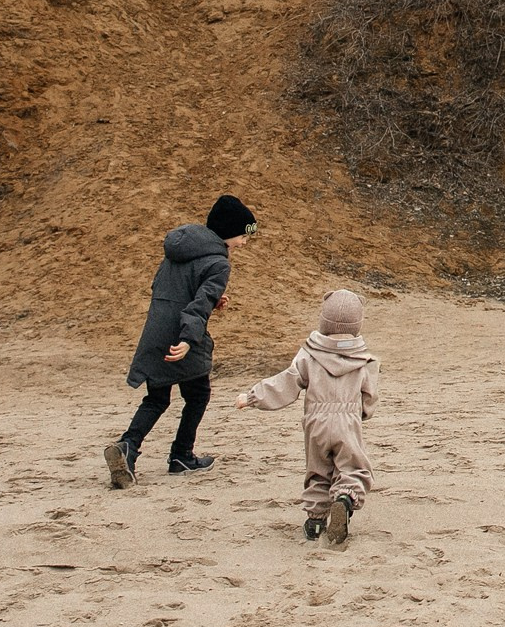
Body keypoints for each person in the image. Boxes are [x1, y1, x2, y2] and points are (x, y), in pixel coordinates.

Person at [104, 195, 254, 486]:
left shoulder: (178, 250)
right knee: (198, 395)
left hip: (156, 332)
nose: (244, 242)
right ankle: (181, 456)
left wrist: (212, 301)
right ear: (227, 231)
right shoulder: (219, 263)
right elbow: (198, 303)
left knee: (157, 398)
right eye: (242, 236)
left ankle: (127, 448)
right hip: (184, 336)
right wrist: (187, 339)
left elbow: (173, 290)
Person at [236, 288, 380, 543]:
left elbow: (288, 382)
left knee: (318, 470)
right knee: (353, 467)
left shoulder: (309, 354)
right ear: (357, 323)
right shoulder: (365, 360)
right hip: (348, 421)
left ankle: (315, 520)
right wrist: (363, 412)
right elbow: (369, 394)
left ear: (324, 319)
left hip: (316, 422)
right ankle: (345, 498)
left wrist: (253, 397)